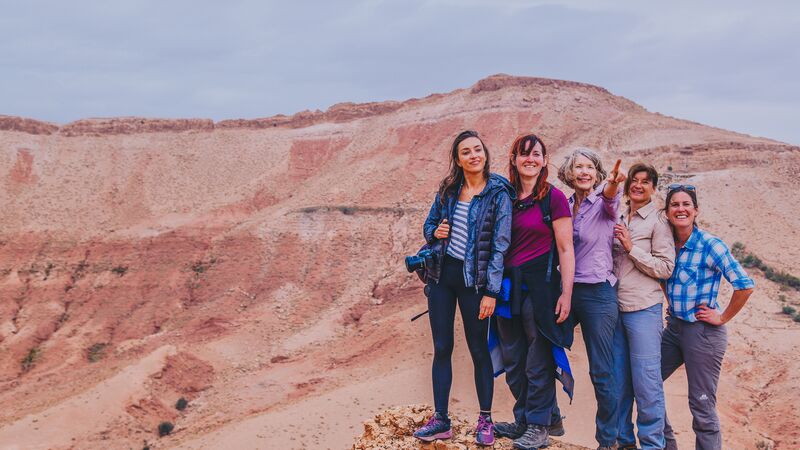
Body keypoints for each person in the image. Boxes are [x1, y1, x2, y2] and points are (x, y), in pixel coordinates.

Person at [416, 130, 514, 446]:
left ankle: (485, 419)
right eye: (466, 152)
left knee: (478, 349)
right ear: (458, 160)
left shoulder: (498, 192)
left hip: (477, 283)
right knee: (442, 347)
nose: (473, 155)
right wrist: (436, 231)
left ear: (484, 153)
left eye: (477, 150)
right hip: (443, 277)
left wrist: (491, 292)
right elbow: (429, 227)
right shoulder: (449, 190)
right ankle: (441, 420)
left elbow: (500, 245)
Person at [493, 133, 575, 450]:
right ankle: (526, 419)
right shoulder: (504, 197)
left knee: (537, 359)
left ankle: (539, 427)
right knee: (513, 360)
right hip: (506, 288)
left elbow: (566, 249)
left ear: (544, 160)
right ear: (514, 159)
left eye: (536, 154)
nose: (530, 158)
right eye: (524, 153)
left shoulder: (552, 199)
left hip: (540, 288)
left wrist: (566, 293)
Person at [661, 185, 755, 450]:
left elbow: (745, 284)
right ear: (667, 212)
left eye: (686, 204)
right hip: (674, 329)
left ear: (695, 210)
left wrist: (723, 316)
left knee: (701, 404)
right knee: (645, 384)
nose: (680, 209)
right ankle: (667, 445)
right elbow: (661, 277)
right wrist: (672, 302)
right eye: (675, 205)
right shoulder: (666, 244)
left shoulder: (710, 244)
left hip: (703, 332)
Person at [557, 148, 626, 450]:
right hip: (566, 290)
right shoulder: (564, 204)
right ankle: (542, 419)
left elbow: (611, 195)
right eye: (578, 167)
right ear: (569, 174)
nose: (584, 173)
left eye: (590, 168)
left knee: (601, 370)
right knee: (541, 349)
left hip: (598, 294)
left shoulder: (604, 204)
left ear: (598, 174)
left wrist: (612, 183)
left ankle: (607, 440)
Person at [612, 164, 675, 450]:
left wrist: (631, 248)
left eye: (645, 182)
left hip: (643, 308)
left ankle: (651, 444)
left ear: (653, 188)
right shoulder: (617, 214)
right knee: (618, 380)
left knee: (647, 381)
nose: (638, 185)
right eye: (634, 181)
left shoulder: (658, 222)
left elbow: (665, 267)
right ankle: (624, 441)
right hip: (613, 308)